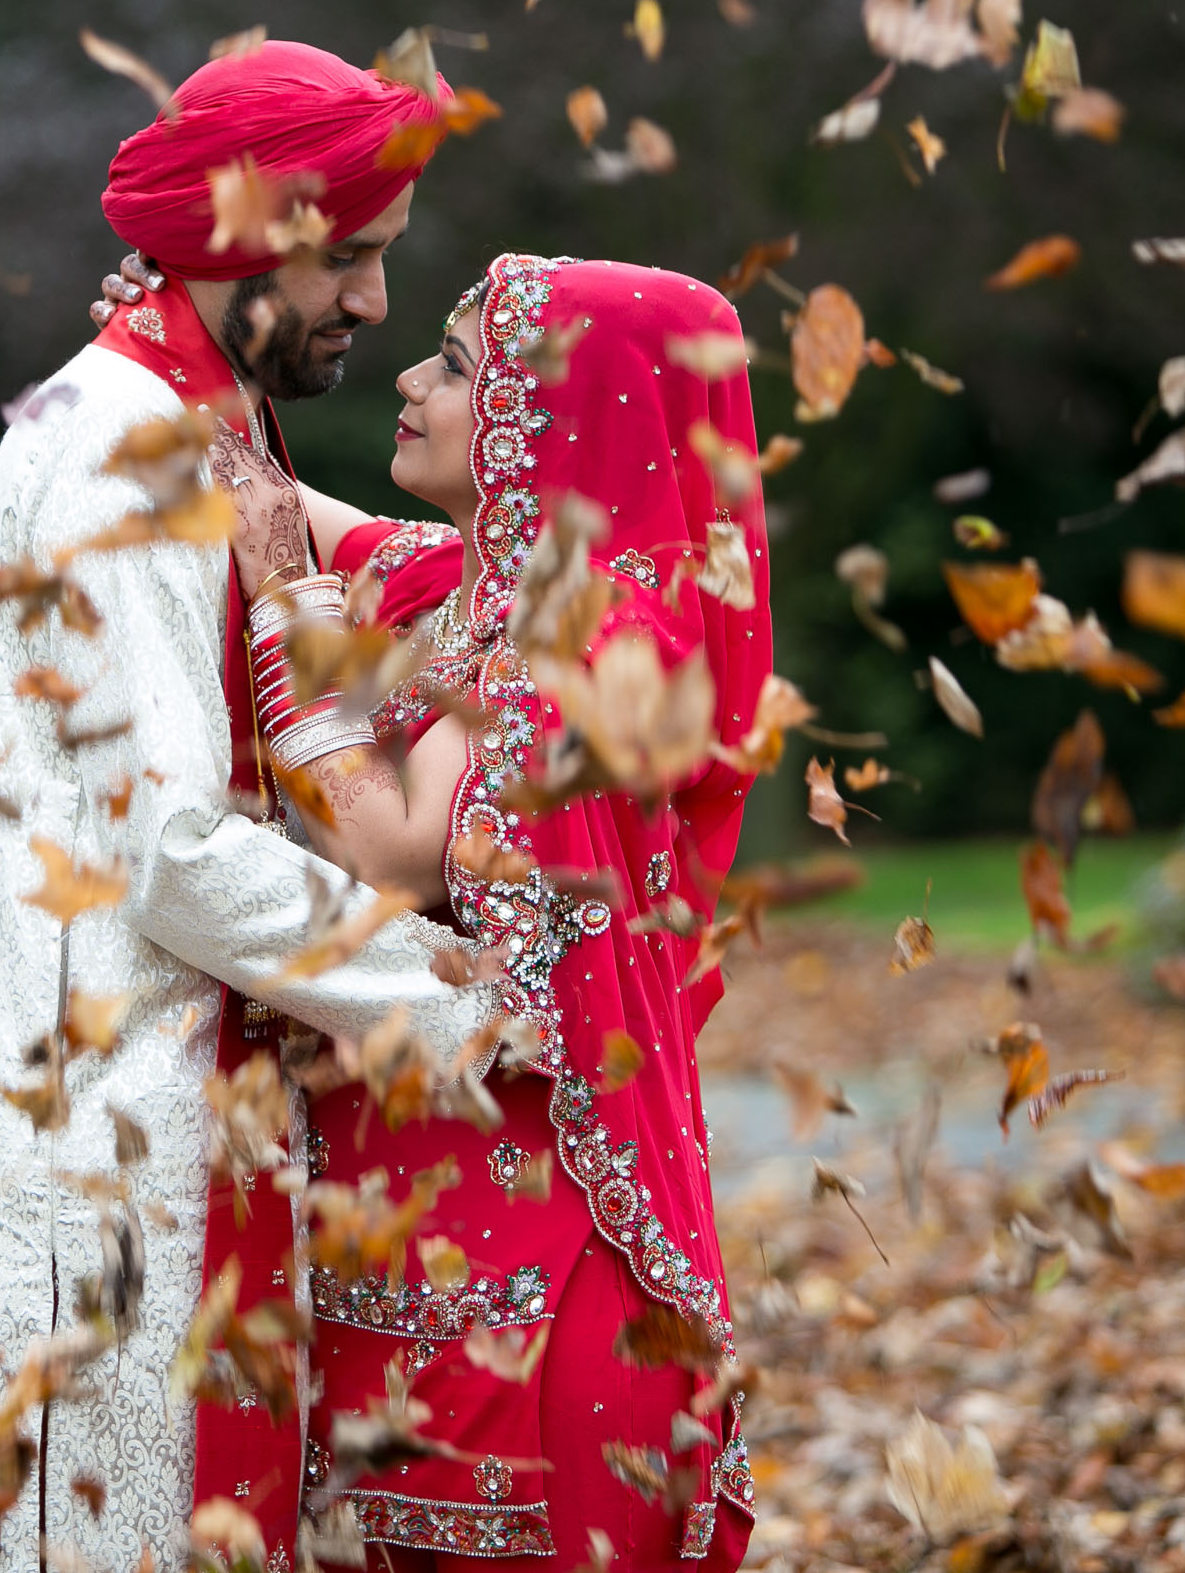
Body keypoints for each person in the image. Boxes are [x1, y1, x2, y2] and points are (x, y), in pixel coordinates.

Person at [0, 43, 507, 1573]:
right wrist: (456, 998)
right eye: (353, 261)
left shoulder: (196, 420)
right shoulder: (126, 447)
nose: (374, 303)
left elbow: (331, 593)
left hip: (159, 1110)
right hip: (109, 1151)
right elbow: (170, 851)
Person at [213, 254, 771, 1570]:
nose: (409, 378)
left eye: (458, 366)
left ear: (560, 418)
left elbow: (394, 851)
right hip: (419, 1272)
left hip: (539, 1300)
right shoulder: (468, 590)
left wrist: (287, 598)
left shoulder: (587, 638)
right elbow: (287, 510)